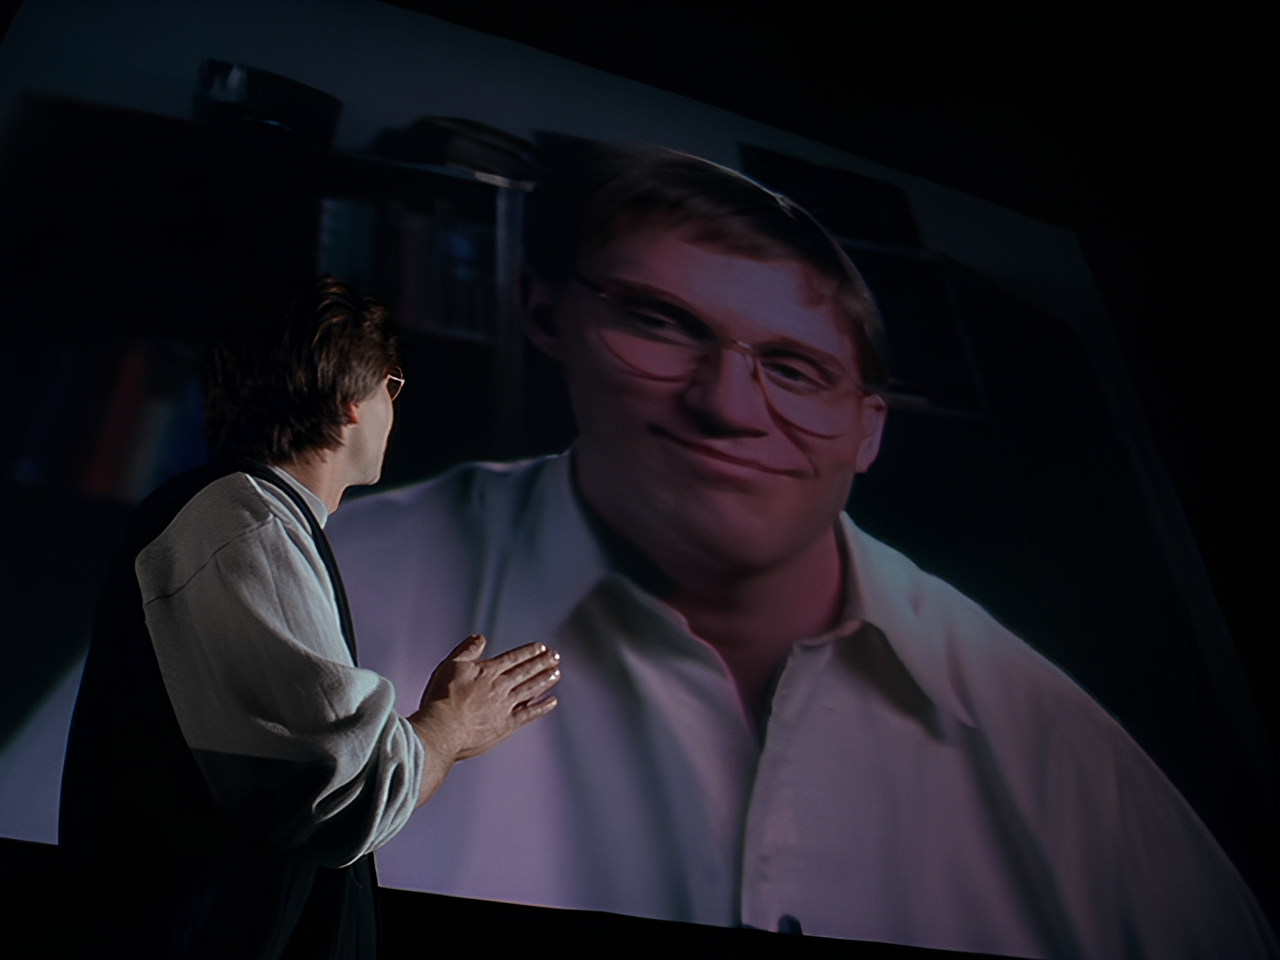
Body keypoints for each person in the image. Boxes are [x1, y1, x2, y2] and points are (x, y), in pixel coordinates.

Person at [326, 144, 1276, 957]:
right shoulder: (337, 591)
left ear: (870, 430)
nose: (730, 406)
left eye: (795, 369)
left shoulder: (1056, 748)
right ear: (545, 313)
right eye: (662, 322)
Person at [59, 276, 561, 958]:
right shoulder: (243, 525)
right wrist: (449, 727)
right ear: (351, 401)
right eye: (392, 386)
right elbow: (344, 792)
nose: (394, 408)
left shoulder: (249, 520)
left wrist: (445, 736)